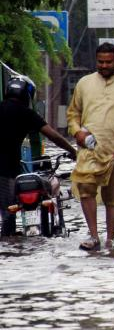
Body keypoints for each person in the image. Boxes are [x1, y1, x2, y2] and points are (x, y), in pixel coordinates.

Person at [67, 43, 114, 250]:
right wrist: (77, 132)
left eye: (109, 62)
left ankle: (109, 240)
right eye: (100, 61)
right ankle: (93, 236)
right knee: (85, 188)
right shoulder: (84, 83)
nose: (104, 65)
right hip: (89, 149)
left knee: (112, 196)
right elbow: (73, 114)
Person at [1, 77, 77, 237]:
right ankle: (10, 251)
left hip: (8, 170)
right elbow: (54, 136)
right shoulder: (27, 114)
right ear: (27, 95)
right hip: (7, 172)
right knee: (8, 217)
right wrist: (72, 150)